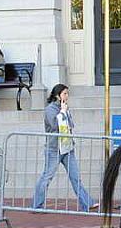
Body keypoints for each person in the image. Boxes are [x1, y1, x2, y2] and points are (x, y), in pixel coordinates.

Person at [33, 84, 98, 212]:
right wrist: (62, 112)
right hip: (54, 149)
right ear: (57, 95)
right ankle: (37, 205)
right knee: (47, 177)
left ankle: (87, 203)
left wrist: (65, 112)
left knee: (75, 177)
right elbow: (54, 126)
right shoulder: (50, 109)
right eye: (64, 94)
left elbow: (71, 125)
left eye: (67, 94)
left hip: (67, 147)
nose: (67, 96)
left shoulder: (66, 108)